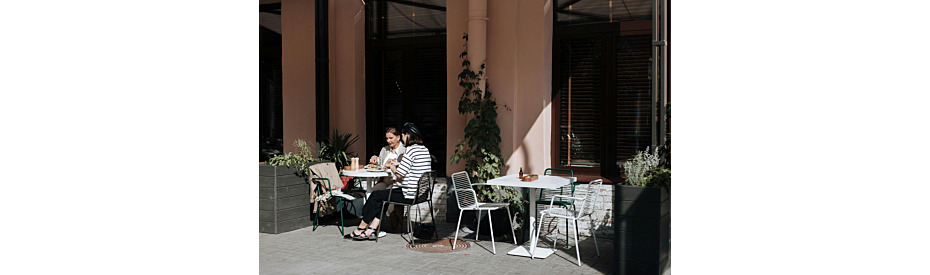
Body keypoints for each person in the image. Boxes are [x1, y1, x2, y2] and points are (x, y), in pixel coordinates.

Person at [348, 122, 431, 240]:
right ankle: (371, 229)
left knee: (376, 196)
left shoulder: (410, 150)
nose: (402, 139)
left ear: (407, 135)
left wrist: (392, 167)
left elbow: (399, 174)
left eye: (402, 136)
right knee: (380, 197)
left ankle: (361, 227)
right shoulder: (424, 149)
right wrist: (398, 163)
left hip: (409, 193)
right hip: (422, 194)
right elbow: (413, 166)